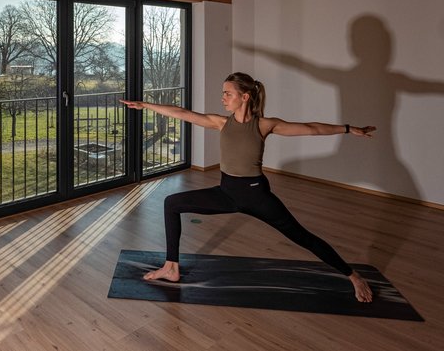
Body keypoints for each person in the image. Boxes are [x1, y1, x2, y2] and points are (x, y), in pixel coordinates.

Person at [121, 72, 375, 303]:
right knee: (172, 203)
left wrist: (349, 129)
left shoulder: (264, 125)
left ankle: (353, 276)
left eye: (227, 93)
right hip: (226, 193)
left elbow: (312, 128)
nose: (223, 98)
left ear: (245, 96)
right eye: (223, 93)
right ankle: (171, 267)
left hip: (257, 196)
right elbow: (183, 113)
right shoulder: (221, 123)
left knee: (302, 236)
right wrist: (145, 105)